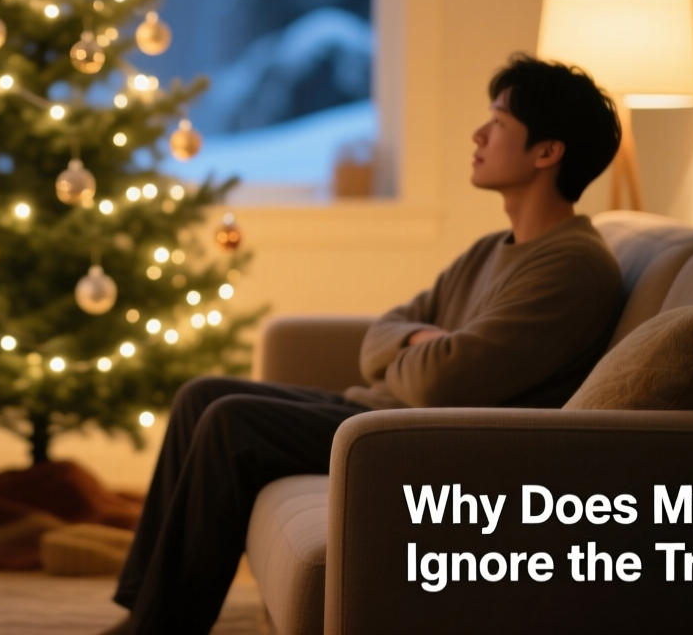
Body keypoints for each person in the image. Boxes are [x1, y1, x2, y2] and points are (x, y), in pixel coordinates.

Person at [102, 54, 626, 635]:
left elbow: (439, 383)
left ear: (547, 152)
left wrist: (419, 354)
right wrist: (425, 340)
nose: (478, 134)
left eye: (498, 122)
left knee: (232, 423)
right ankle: (139, 611)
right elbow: (383, 331)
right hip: (382, 412)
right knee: (201, 395)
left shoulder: (572, 267)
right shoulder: (491, 249)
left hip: (426, 440)